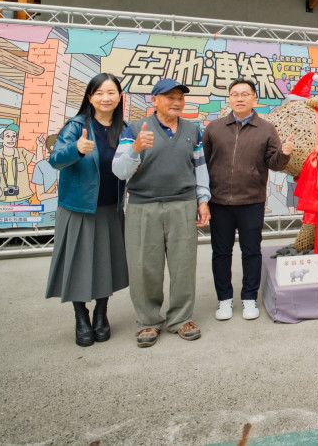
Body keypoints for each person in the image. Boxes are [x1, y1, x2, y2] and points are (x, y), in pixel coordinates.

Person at [113, 78, 211, 348]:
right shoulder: (134, 129)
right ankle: (147, 322)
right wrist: (135, 149)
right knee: (144, 267)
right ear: (154, 100)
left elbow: (200, 167)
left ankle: (181, 319)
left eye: (180, 97)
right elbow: (119, 171)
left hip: (183, 204)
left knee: (183, 265)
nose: (177, 102)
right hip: (143, 206)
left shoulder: (192, 130)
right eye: (169, 97)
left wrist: (203, 200)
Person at [45, 74, 130, 347]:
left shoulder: (124, 129)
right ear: (90, 97)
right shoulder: (76, 126)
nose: (106, 98)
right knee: (78, 264)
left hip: (110, 208)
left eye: (111, 92)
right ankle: (81, 316)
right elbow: (55, 160)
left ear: (119, 97)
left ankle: (102, 313)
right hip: (79, 208)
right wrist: (76, 149)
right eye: (99, 93)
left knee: (106, 263)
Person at [202, 77, 293, 322]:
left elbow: (273, 162)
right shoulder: (214, 128)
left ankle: (249, 298)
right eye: (234, 94)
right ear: (229, 98)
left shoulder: (266, 129)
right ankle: (224, 300)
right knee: (220, 252)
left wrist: (283, 154)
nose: (239, 98)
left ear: (255, 99)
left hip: (252, 201)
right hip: (219, 202)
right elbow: (206, 162)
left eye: (244, 94)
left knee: (251, 251)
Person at [0, 124, 42, 205]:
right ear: (1, 139)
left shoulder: (22, 152)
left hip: (22, 199)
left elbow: (39, 161)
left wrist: (40, 146)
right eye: (8, 136)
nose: (11, 139)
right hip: (2, 200)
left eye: (14, 136)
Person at [31, 134, 59, 228]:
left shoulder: (69, 164)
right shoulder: (41, 166)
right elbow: (40, 196)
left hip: (68, 212)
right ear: (51, 147)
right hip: (48, 211)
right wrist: (57, 194)